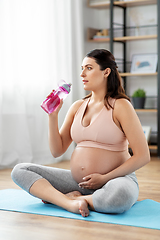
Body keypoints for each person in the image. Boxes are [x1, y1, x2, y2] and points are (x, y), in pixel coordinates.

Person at [11, 49, 150, 217]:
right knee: (20, 170)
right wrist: (52, 116)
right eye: (82, 68)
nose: (82, 74)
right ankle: (70, 202)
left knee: (120, 196)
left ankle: (69, 199)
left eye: (89, 68)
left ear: (106, 72)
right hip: (80, 183)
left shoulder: (120, 106)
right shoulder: (77, 106)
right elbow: (57, 151)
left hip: (116, 181)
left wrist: (104, 178)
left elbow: (143, 156)